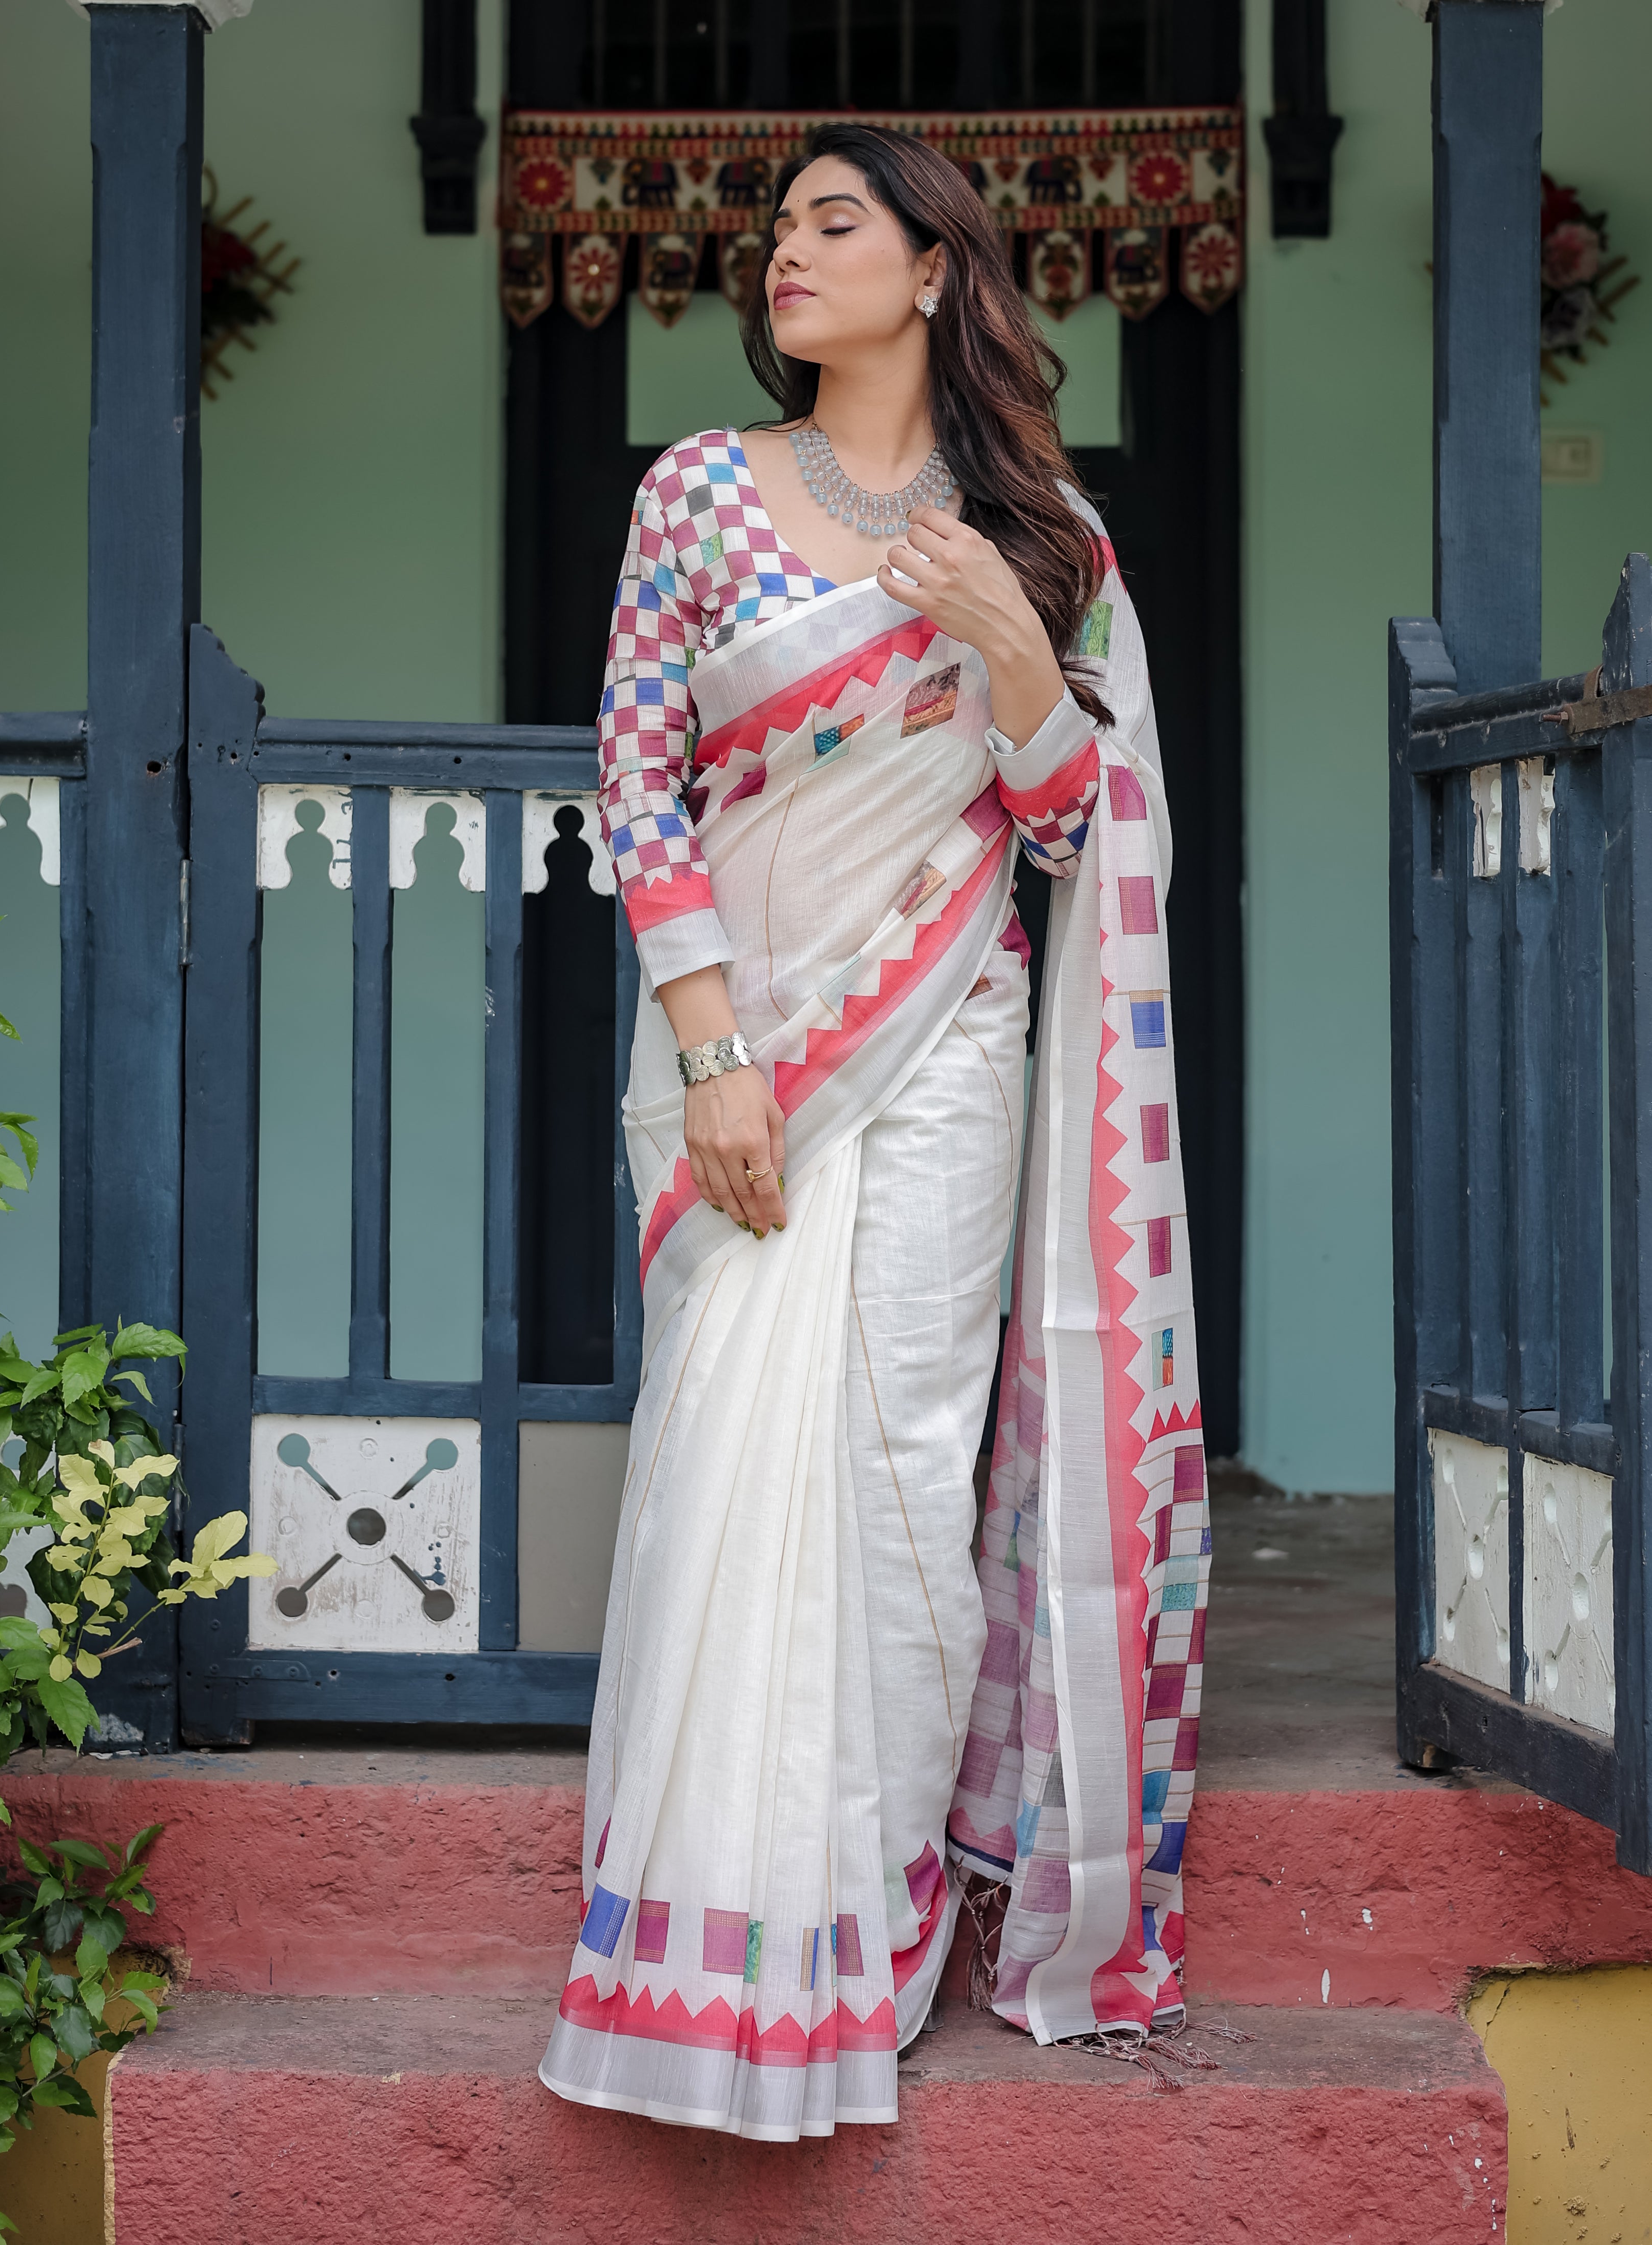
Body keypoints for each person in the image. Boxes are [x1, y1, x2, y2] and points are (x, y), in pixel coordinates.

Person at [539, 121, 1207, 2142]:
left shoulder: (1046, 539)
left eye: (830, 221)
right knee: (724, 1460)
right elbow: (636, 786)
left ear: (933, 271)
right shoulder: (697, 494)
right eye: (772, 227)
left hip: (940, 1041)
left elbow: (1072, 825)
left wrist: (1018, 660)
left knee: (908, 1475)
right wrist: (715, 1041)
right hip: (735, 1056)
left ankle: (874, 1919)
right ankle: (707, 1938)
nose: (780, 252)